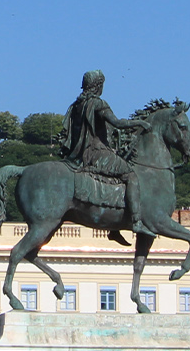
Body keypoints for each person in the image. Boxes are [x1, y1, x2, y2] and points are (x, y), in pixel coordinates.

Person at [61, 70, 152, 238]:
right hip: (96, 152)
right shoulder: (98, 103)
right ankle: (136, 222)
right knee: (131, 176)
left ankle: (114, 227)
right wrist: (140, 123)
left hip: (80, 153)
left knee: (115, 177)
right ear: (97, 86)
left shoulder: (77, 104)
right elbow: (117, 123)